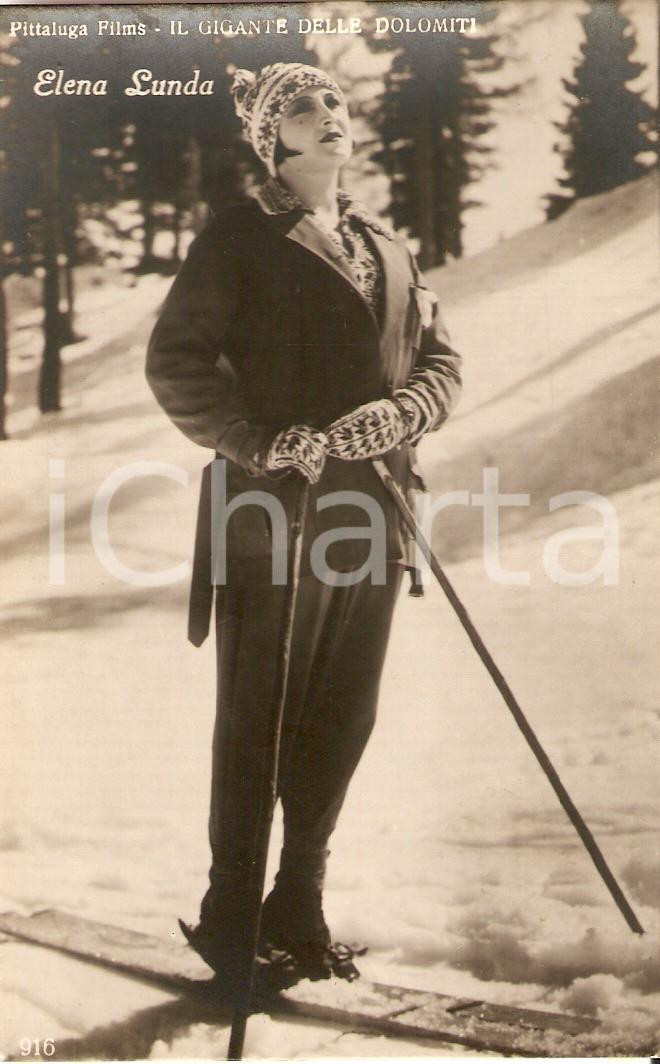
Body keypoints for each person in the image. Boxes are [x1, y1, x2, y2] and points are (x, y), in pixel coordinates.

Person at [146, 62, 462, 989]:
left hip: (376, 507)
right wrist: (257, 441)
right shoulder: (241, 238)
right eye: (304, 107)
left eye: (338, 103)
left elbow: (442, 361)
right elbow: (177, 363)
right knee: (261, 717)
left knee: (341, 716)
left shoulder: (389, 246)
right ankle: (233, 913)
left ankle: (300, 903)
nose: (330, 117)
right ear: (270, 138)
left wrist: (403, 414)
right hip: (271, 507)